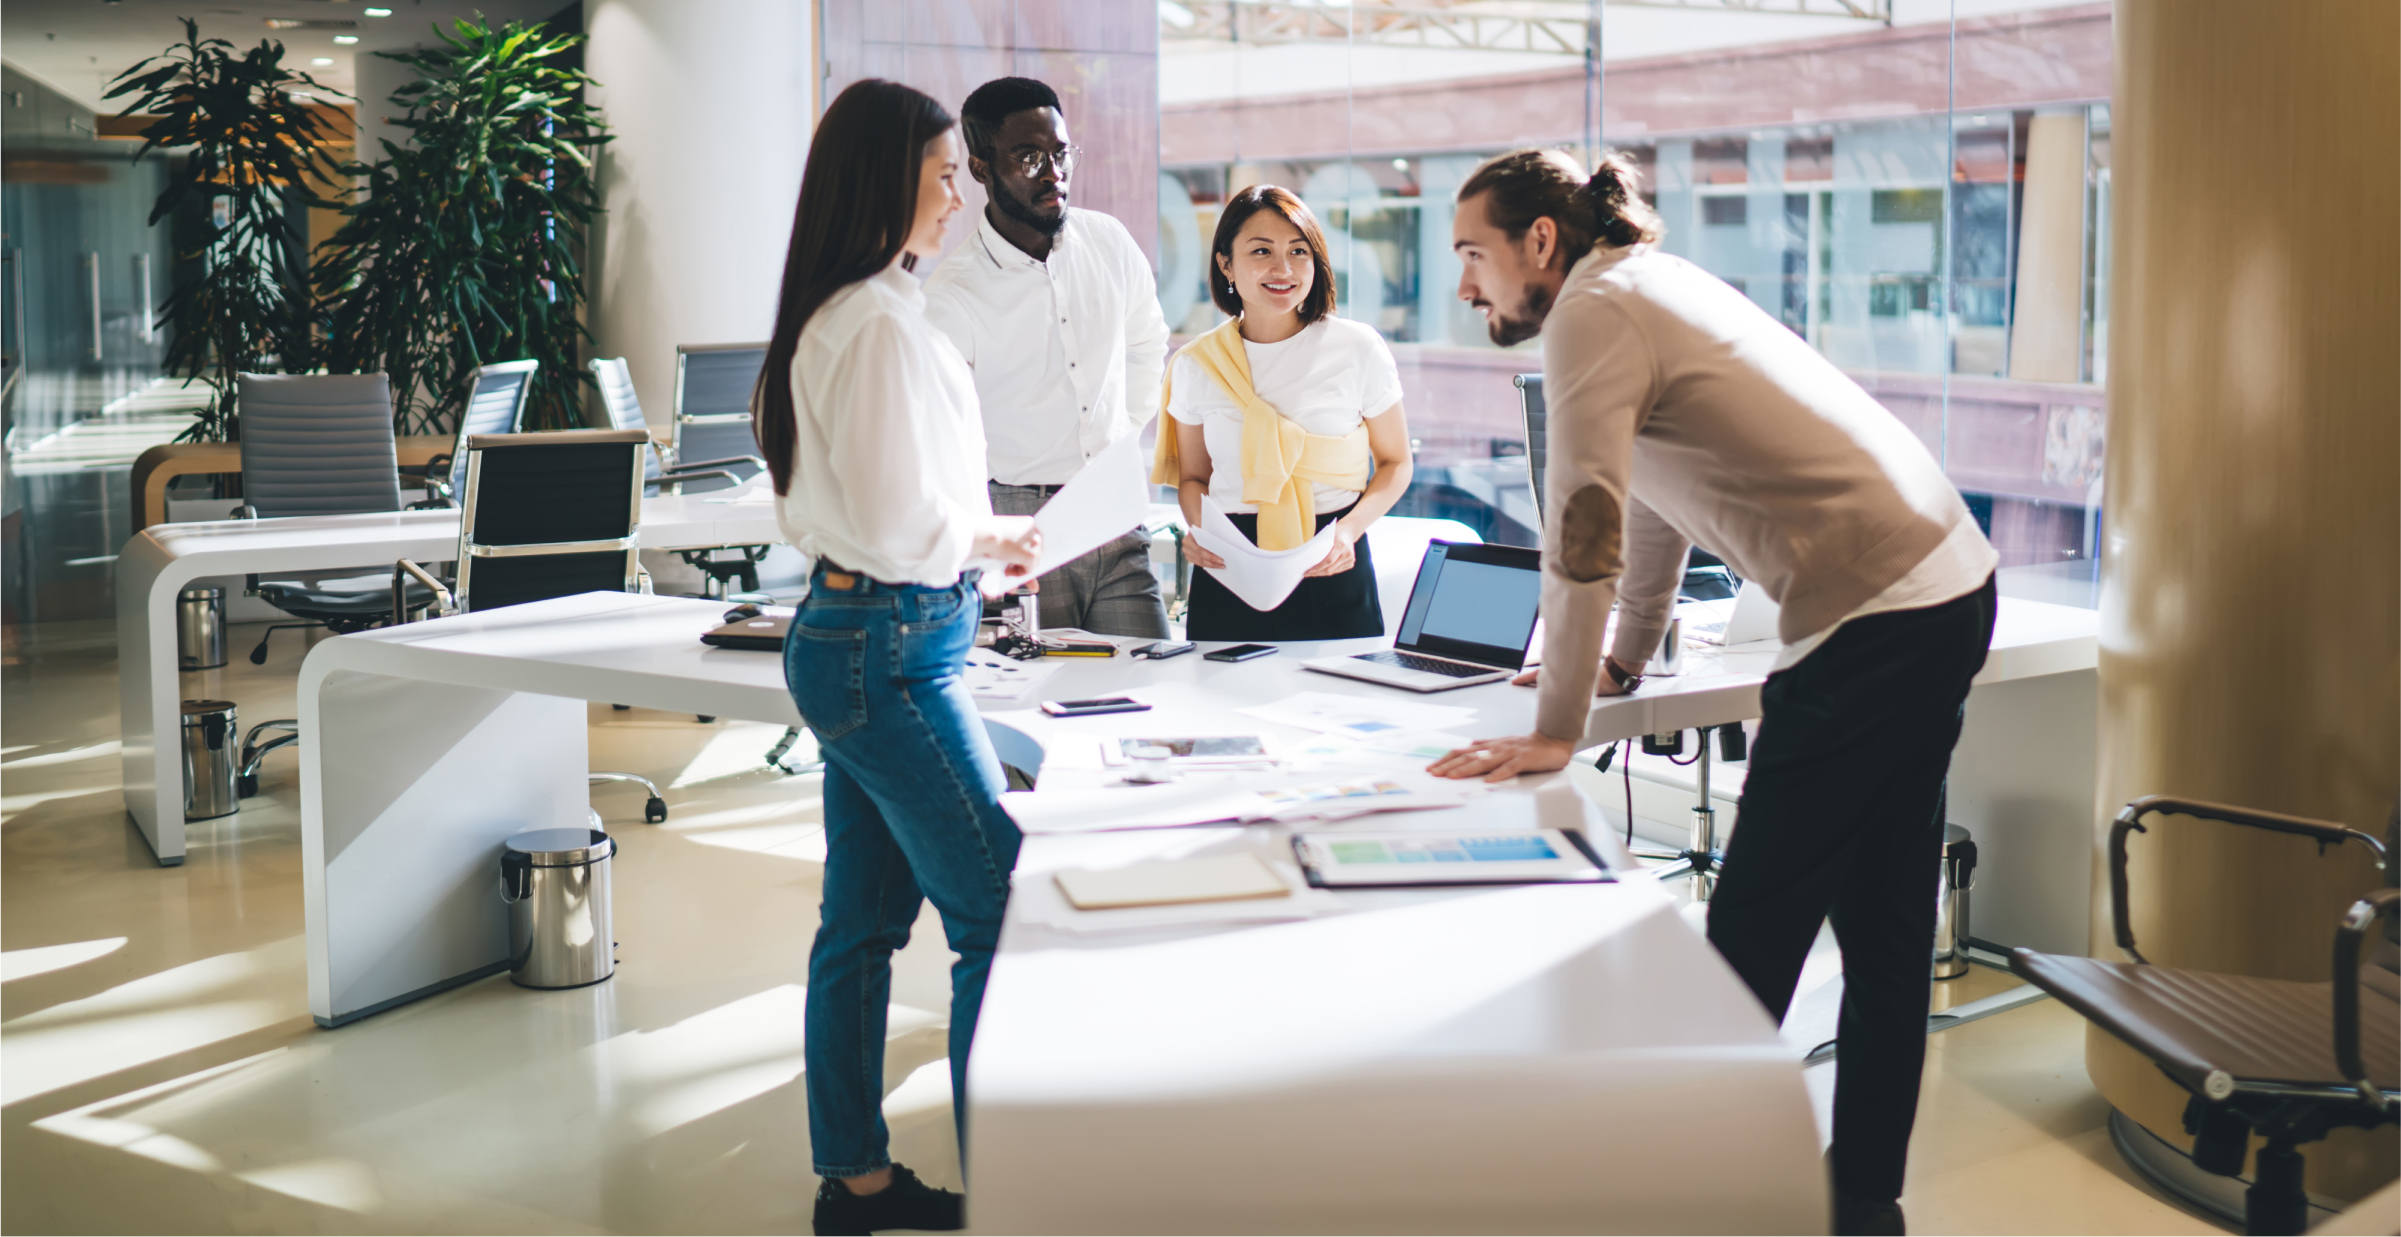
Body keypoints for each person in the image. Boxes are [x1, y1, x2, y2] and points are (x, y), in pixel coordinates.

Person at [1425, 148, 1998, 1237]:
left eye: (1472, 256)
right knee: (1881, 937)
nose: (1465, 288)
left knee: (1745, 946)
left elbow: (1583, 520)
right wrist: (1621, 663)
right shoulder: (1643, 285)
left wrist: (1559, 728)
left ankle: (1691, 1200)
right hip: (1940, 590)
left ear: (1539, 242)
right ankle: (1861, 1199)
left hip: (1876, 619)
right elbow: (1650, 501)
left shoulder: (1594, 310)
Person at [751, 79, 1043, 1237]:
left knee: (861, 926)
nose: (958, 194)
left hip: (874, 635)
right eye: (942, 174)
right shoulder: (869, 321)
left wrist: (977, 546)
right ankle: (1016, 1191)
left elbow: (886, 504)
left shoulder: (868, 308)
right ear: (885, 184)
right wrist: (987, 538)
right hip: (889, 648)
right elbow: (888, 517)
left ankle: (856, 1181)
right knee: (998, 909)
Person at [924, 77, 1172, 639]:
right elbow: (947, 439)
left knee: (1149, 683)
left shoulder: (1108, 242)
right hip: (1017, 517)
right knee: (1042, 697)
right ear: (982, 168)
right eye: (1030, 157)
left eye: (1060, 154)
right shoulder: (952, 295)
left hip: (1114, 511)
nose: (1053, 173)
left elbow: (1146, 343)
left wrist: (1122, 434)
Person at [1154, 185, 1414, 641]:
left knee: (1338, 705)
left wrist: (1348, 533)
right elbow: (1194, 480)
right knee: (1219, 706)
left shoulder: (1357, 348)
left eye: (1299, 250)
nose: (1284, 269)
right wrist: (1202, 533)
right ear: (1225, 264)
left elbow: (1396, 463)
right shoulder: (1196, 364)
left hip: (1331, 558)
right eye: (1262, 251)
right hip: (1231, 564)